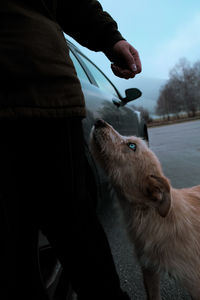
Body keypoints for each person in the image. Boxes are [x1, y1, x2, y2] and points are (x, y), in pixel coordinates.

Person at [0, 0, 141, 299]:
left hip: (34, 84)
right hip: (38, 85)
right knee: (75, 229)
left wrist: (110, 37)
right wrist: (110, 39)